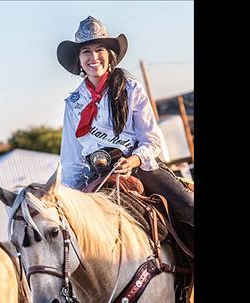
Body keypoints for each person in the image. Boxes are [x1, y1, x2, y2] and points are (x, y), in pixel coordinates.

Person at [57, 16, 193, 235]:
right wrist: (71, 197)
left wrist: (133, 160)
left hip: (138, 165)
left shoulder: (131, 89)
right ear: (79, 61)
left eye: (99, 49)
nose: (93, 57)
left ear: (109, 55)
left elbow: (152, 138)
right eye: (86, 51)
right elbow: (71, 158)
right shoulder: (73, 104)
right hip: (96, 173)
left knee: (188, 207)